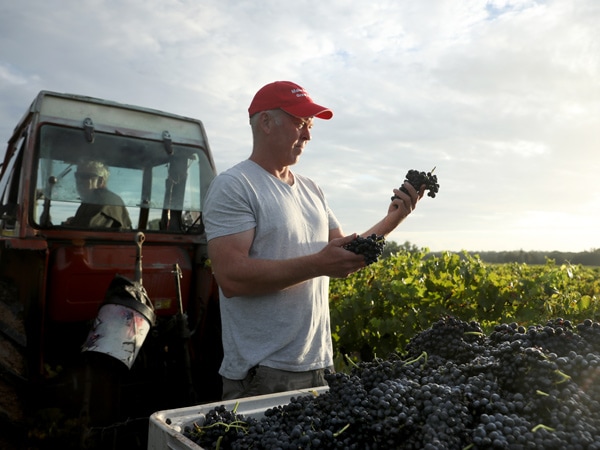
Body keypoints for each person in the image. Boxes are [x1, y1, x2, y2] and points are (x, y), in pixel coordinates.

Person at [203, 81, 424, 400]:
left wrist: (394, 218)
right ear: (266, 122)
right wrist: (318, 264)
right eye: (300, 123)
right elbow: (232, 277)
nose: (308, 134)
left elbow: (345, 252)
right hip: (263, 373)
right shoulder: (235, 186)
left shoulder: (312, 189)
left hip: (318, 366)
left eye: (309, 125)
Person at [65, 160, 132, 228]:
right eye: (77, 175)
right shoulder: (91, 200)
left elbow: (88, 231)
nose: (79, 180)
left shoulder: (105, 201)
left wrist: (72, 223)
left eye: (84, 176)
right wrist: (74, 221)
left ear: (100, 181)